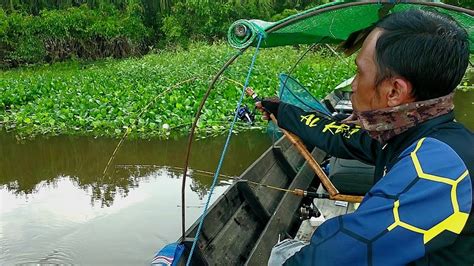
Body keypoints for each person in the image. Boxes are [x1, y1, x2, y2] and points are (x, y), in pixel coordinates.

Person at [258, 9, 473, 265]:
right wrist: (283, 112)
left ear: (394, 91)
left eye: (359, 73)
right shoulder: (411, 136)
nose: (353, 86)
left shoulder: (436, 168)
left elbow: (337, 255)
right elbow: (338, 137)